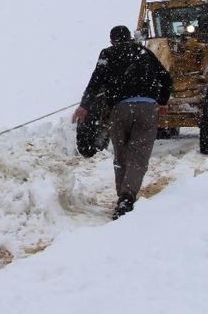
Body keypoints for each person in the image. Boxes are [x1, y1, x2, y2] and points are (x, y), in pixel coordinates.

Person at [72, 25, 172, 220]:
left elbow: (96, 81)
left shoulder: (108, 54)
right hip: (147, 108)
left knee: (121, 154)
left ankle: (122, 195)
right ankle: (127, 197)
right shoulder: (145, 52)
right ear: (129, 38)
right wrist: (162, 101)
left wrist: (84, 105)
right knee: (139, 155)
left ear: (112, 41)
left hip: (120, 109)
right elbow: (166, 78)